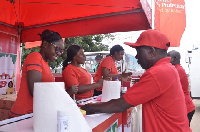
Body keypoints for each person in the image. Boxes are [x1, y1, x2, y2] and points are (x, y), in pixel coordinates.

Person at [82, 29, 191, 132]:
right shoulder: (168, 68)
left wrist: (90, 107)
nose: (136, 56)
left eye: (138, 51)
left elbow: (120, 105)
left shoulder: (157, 72)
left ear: (151, 52)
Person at [9, 29, 65, 117]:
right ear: (45, 44)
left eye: (61, 51)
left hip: (35, 113)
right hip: (23, 114)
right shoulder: (35, 57)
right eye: (57, 49)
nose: (59, 54)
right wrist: (63, 93)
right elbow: (35, 90)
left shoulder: (45, 63)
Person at [167, 50, 195, 126]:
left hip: (185, 108)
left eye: (168, 56)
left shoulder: (176, 70)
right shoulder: (177, 69)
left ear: (174, 59)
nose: (165, 59)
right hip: (185, 107)